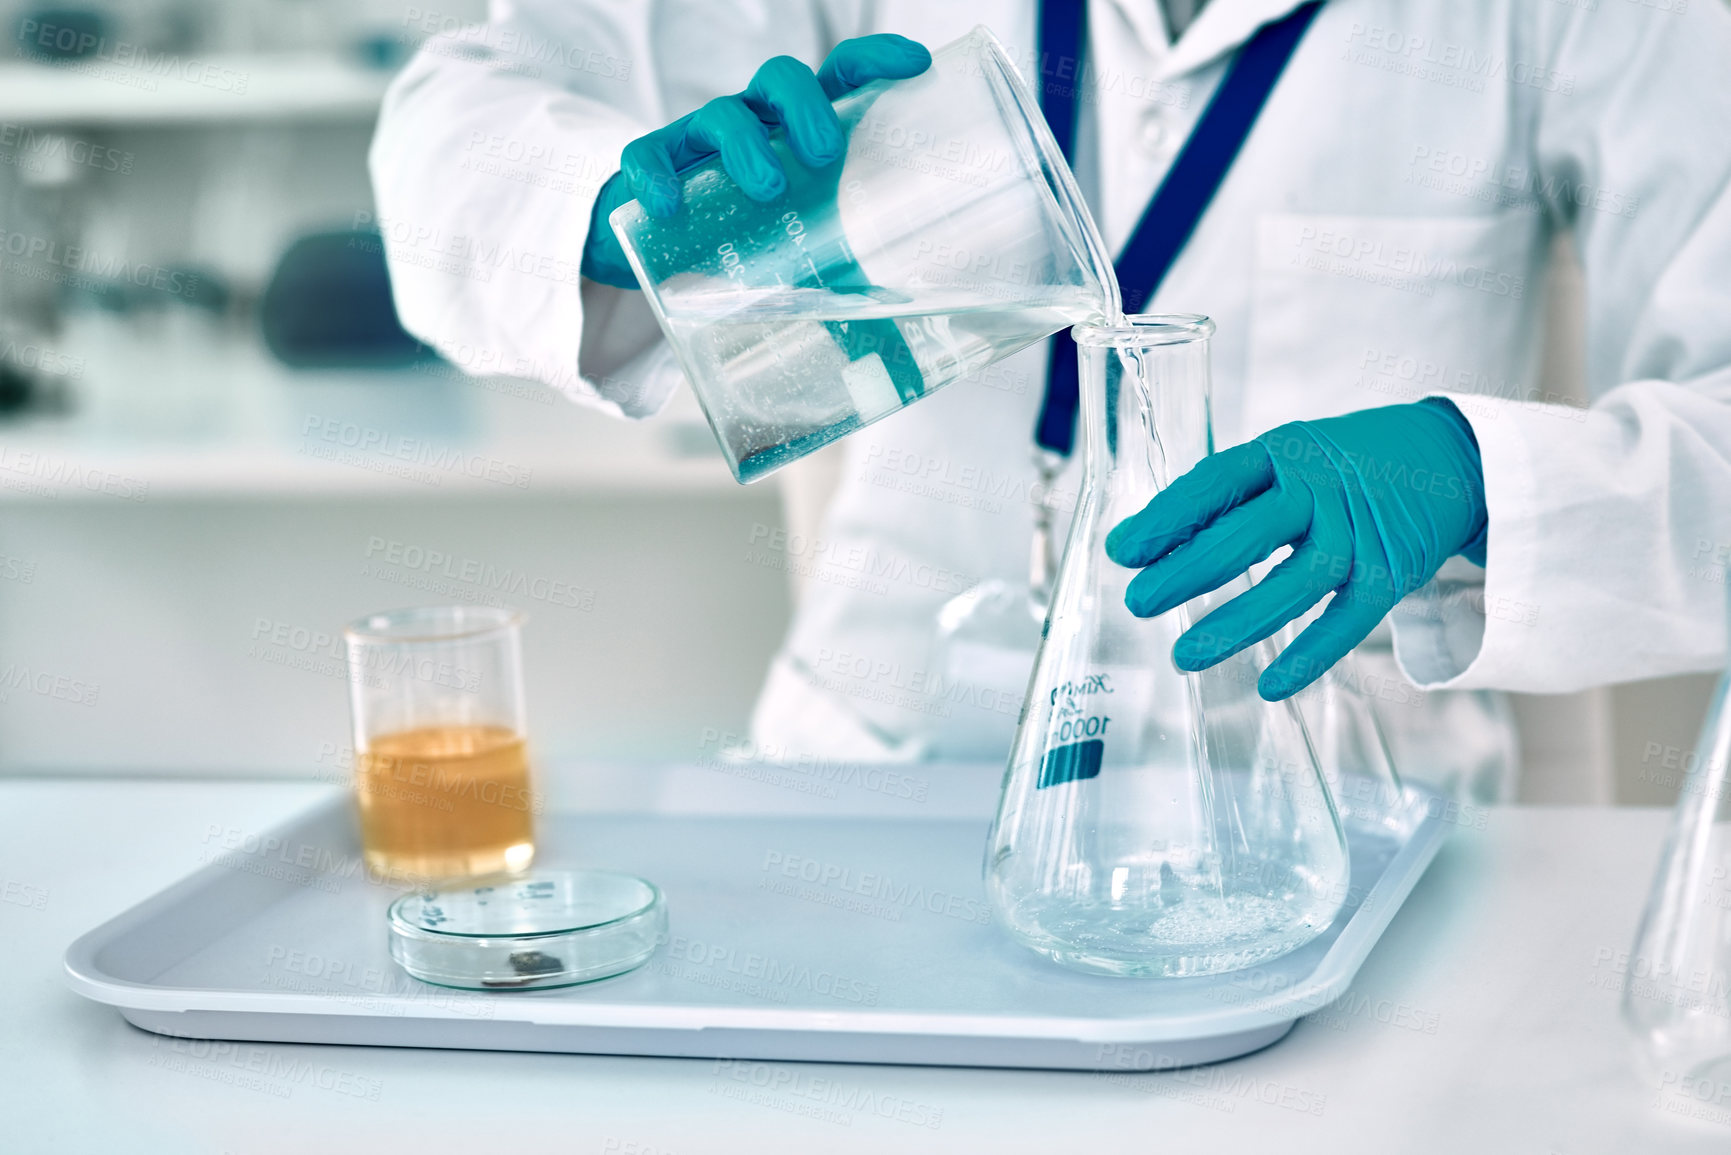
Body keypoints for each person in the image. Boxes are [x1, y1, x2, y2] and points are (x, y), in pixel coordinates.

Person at [371, 0, 1731, 801]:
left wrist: (1487, 479)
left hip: (1321, 803)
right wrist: (600, 207)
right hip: (872, 769)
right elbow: (460, 113)